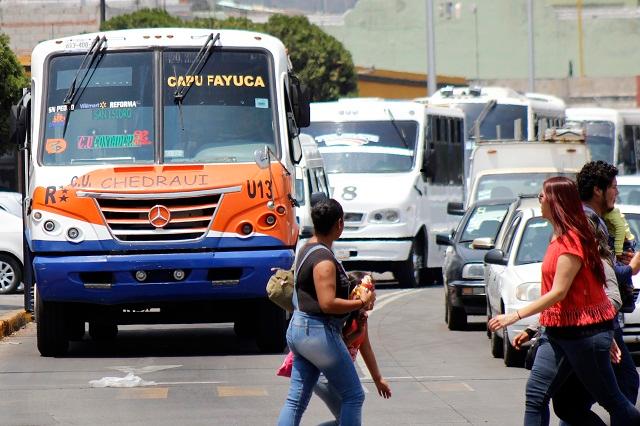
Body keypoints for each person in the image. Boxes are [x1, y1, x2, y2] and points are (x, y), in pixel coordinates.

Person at [488, 176, 640, 425]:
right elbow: (562, 297)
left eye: (542, 196)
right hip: (557, 332)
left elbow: (560, 292)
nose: (539, 200)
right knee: (537, 396)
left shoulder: (572, 240)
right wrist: (532, 327)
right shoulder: (556, 238)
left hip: (585, 336)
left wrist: (514, 316)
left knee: (612, 400)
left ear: (556, 201)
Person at [277, 198, 375, 426]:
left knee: (296, 401)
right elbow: (327, 304)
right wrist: (360, 302)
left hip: (300, 331)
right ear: (339, 224)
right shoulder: (324, 260)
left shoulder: (307, 248)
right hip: (317, 333)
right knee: (354, 396)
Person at [313, 272, 392, 424]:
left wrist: (378, 379)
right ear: (357, 294)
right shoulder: (341, 316)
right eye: (369, 292)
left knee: (347, 420)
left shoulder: (360, 316)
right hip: (325, 376)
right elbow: (336, 347)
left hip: (339, 374)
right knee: (348, 418)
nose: (373, 297)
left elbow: (366, 347)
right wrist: (357, 333)